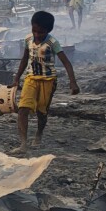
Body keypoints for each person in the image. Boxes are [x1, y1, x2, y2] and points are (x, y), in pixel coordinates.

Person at [11, 11, 79, 155]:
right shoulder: (28, 40)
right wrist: (17, 77)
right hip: (31, 78)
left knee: (42, 113)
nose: (37, 34)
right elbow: (24, 59)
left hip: (48, 81)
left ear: (48, 30)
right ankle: (23, 144)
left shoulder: (52, 43)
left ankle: (39, 134)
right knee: (23, 109)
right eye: (34, 30)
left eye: (40, 32)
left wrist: (73, 82)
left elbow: (66, 63)